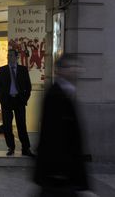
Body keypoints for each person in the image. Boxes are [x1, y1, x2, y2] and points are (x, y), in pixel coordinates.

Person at [34, 54, 89, 197]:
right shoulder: (55, 95)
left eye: (78, 66)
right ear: (60, 70)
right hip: (58, 171)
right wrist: (58, 171)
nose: (77, 70)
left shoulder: (66, 92)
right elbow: (52, 134)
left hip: (62, 171)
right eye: (72, 66)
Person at [0, 49, 34, 157]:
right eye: (8, 55)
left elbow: (28, 86)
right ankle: (11, 147)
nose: (9, 57)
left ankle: (26, 148)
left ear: (16, 57)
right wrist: (1, 98)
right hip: (7, 101)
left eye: (11, 55)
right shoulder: (2, 70)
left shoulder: (23, 70)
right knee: (7, 126)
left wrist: (24, 99)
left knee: (21, 125)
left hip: (19, 100)